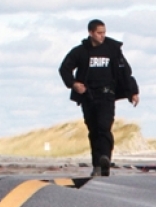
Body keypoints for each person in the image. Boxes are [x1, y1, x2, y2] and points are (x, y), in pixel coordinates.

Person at [59, 20, 139, 177]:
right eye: (99, 33)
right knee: (93, 130)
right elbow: (64, 68)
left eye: (104, 32)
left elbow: (125, 72)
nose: (102, 36)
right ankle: (97, 164)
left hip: (107, 95)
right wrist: (74, 84)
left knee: (104, 127)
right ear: (90, 33)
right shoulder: (80, 51)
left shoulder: (112, 50)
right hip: (88, 96)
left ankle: (105, 159)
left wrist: (132, 92)